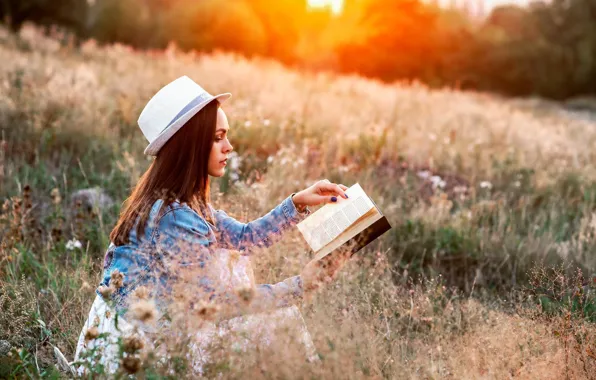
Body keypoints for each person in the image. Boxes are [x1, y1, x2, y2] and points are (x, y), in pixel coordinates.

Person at [73, 76, 351, 374]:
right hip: (131, 358)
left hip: (139, 336)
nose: (229, 147)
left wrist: (298, 202)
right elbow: (214, 305)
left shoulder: (179, 201)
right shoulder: (173, 217)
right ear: (190, 144)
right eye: (218, 138)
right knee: (281, 321)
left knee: (235, 265)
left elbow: (246, 238)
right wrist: (299, 287)